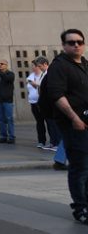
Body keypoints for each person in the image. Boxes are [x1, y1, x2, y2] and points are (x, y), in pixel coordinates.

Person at [43, 28, 88, 224]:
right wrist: (74, 118)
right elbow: (56, 95)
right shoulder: (59, 66)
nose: (76, 45)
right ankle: (80, 208)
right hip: (73, 125)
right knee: (80, 167)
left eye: (79, 41)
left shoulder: (85, 65)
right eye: (71, 42)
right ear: (63, 45)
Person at [27, 56, 61, 149]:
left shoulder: (51, 73)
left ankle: (57, 143)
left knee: (53, 124)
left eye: (40, 66)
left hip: (50, 104)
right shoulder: (44, 74)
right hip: (44, 103)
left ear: (45, 64)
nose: (39, 68)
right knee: (49, 124)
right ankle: (53, 142)